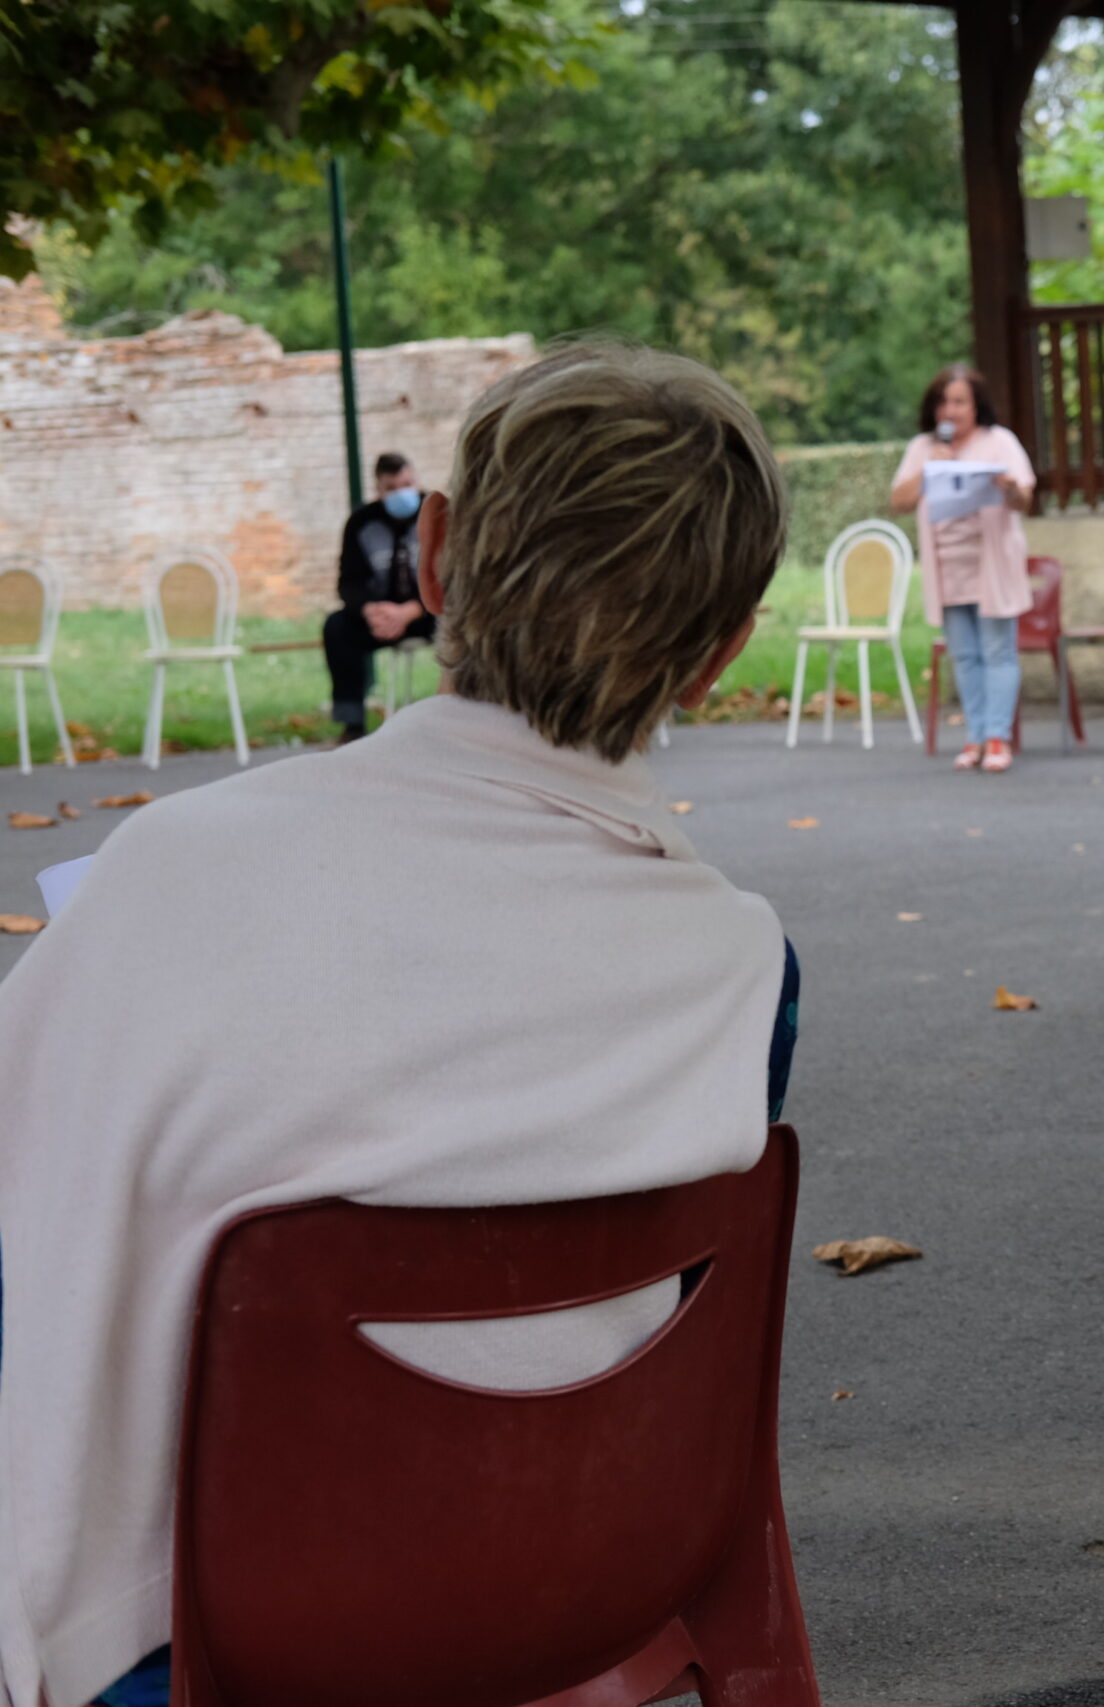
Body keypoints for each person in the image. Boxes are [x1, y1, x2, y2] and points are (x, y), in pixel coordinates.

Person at [0, 341, 801, 1707]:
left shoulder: (165, 873)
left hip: (197, 1637)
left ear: (430, 558)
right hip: (581, 1584)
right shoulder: (743, 966)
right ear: (722, 653)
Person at [890, 364, 1036, 774]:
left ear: (976, 406)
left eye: (959, 402)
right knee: (965, 655)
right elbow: (898, 501)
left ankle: (996, 738)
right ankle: (973, 737)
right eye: (943, 402)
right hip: (947, 566)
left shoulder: (999, 442)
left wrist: (1007, 487)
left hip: (991, 562)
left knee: (997, 651)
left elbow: (1024, 498)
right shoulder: (923, 447)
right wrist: (928, 468)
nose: (949, 411)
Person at [322, 450, 434, 743]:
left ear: (416, 480)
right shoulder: (361, 523)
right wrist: (368, 609)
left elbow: (456, 579)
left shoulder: (437, 514)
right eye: (392, 488)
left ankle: (466, 714)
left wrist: (413, 610)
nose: (401, 493)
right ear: (378, 489)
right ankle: (352, 725)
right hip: (380, 616)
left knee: (464, 623)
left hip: (430, 612)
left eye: (407, 484)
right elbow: (348, 582)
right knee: (337, 627)